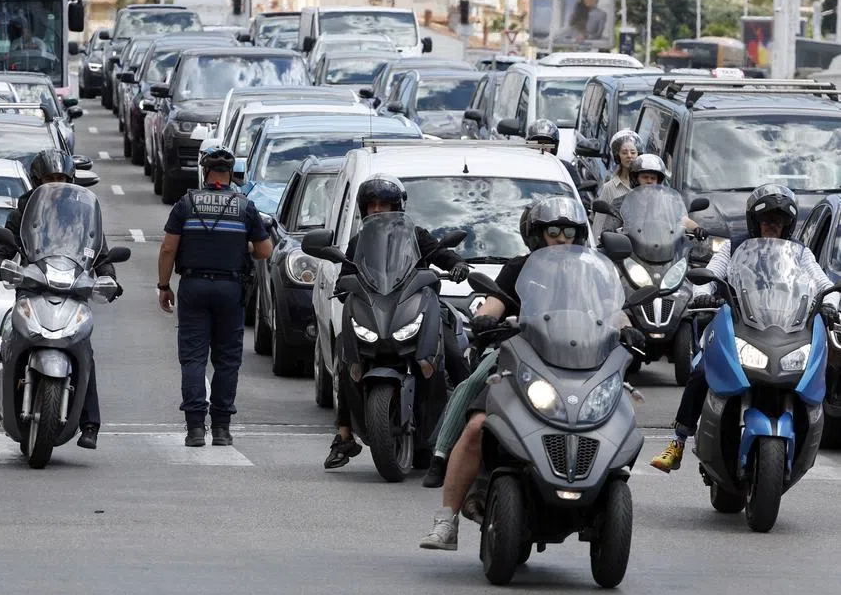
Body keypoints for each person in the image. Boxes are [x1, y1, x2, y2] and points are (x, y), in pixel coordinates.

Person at [418, 196, 643, 551]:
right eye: (553, 231)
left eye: (569, 231)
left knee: (617, 416)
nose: (562, 238)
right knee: (477, 422)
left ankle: (603, 481)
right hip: (521, 360)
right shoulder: (520, 269)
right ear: (536, 235)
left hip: (582, 365)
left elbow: (614, 312)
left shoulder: (595, 274)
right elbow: (494, 303)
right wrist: (486, 319)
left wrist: (628, 327)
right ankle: (446, 518)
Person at [649, 183, 830, 473]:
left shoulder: (800, 253)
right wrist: (703, 294)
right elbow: (711, 274)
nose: (773, 225)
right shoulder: (734, 246)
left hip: (786, 328)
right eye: (767, 220)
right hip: (737, 323)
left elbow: (822, 284)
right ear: (754, 221)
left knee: (810, 374)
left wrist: (833, 303)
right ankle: (678, 441)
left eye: (780, 220)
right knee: (700, 371)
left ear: (789, 224)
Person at [324, 175, 469, 473]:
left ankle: (471, 424)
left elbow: (442, 254)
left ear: (398, 206)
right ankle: (344, 436)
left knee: (454, 353)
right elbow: (344, 278)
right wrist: (343, 286)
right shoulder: (359, 243)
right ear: (364, 210)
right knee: (346, 359)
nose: (378, 209)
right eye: (372, 205)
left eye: (385, 204)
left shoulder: (416, 235)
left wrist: (456, 265)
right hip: (375, 313)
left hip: (417, 309)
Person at [0, 148, 119, 450]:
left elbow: (99, 251)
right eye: (50, 178)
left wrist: (109, 276)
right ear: (37, 181)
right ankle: (7, 388)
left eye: (61, 178)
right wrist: (1, 264)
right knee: (10, 337)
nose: (55, 183)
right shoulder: (23, 212)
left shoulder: (81, 215)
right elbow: (4, 249)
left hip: (71, 290)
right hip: (33, 288)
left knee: (83, 348)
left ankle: (90, 423)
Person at [157, 146, 271, 448]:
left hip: (193, 287)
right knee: (227, 361)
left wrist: (163, 285)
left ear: (205, 172)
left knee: (194, 358)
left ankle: (195, 429)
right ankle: (221, 429)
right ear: (230, 174)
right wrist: (240, 246)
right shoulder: (245, 206)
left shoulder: (186, 203)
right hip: (229, 290)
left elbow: (168, 248)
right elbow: (264, 251)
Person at [597, 130, 643, 207]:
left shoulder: (646, 183)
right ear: (617, 156)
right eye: (624, 153)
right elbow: (600, 218)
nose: (629, 156)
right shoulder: (609, 188)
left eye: (633, 152)